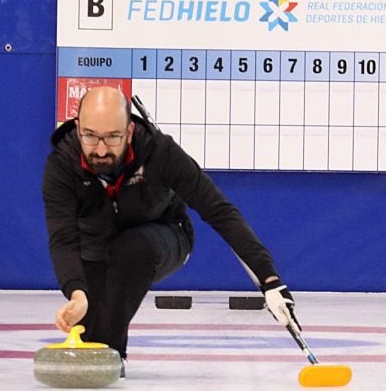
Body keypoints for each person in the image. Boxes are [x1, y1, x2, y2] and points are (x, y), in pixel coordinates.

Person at [42, 87, 300, 375]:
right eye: (90, 136)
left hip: (164, 237)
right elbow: (63, 238)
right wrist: (77, 293)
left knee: (131, 251)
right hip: (98, 250)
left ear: (129, 131)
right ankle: (101, 344)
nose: (101, 150)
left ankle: (111, 354)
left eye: (113, 137)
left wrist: (269, 279)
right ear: (78, 128)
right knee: (90, 328)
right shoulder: (62, 165)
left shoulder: (159, 152)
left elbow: (219, 210)